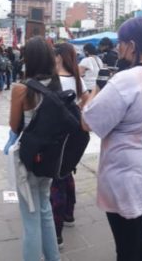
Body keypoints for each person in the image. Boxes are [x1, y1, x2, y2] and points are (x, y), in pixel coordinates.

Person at [80, 17, 142, 261]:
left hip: (127, 179)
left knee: (126, 247)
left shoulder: (127, 79)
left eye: (121, 43)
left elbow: (87, 121)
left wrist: (97, 88)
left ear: (132, 45)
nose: (118, 48)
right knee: (137, 238)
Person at [5, 37, 61, 261]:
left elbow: (13, 124)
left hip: (27, 160)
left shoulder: (21, 89)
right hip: (50, 159)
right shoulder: (57, 85)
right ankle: (53, 258)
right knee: (45, 210)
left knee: (30, 219)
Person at [51, 43, 89, 247]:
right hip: (74, 133)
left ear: (58, 57)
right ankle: (69, 214)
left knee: (56, 178)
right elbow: (86, 99)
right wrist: (76, 110)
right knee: (66, 172)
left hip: (57, 136)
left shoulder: (53, 80)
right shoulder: (77, 78)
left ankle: (56, 234)